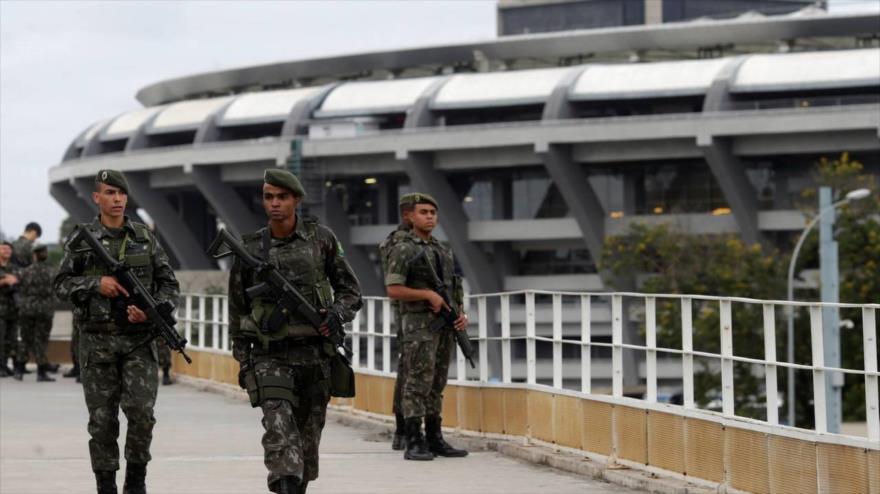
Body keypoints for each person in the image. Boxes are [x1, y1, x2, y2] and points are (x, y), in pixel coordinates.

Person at [229, 169, 362, 494]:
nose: (274, 204)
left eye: (282, 197)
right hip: (270, 357)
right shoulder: (250, 248)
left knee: (306, 446)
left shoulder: (322, 239)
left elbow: (351, 292)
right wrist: (244, 361)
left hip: (317, 356)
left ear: (296, 200)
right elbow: (237, 308)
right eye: (268, 197)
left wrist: (335, 315)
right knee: (279, 434)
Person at [54, 169, 180, 494]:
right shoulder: (82, 241)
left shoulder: (144, 237)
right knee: (102, 422)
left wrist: (154, 309)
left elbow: (168, 283)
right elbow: (60, 285)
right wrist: (96, 284)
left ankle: (135, 482)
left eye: (121, 193)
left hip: (139, 342)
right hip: (97, 343)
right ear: (96, 197)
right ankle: (106, 486)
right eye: (110, 193)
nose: (117, 199)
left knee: (142, 414)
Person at [384, 192, 469, 461]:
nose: (430, 217)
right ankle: (414, 439)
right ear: (410, 216)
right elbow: (394, 289)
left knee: (436, 382)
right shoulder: (404, 248)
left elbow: (454, 287)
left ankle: (435, 437)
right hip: (419, 326)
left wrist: (460, 313)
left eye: (433, 213)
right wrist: (427, 295)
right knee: (417, 382)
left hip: (444, 325)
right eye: (424, 212)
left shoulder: (442, 250)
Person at [377, 196, 415, 450]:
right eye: (422, 212)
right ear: (407, 215)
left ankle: (404, 430)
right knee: (410, 371)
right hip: (407, 313)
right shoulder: (398, 244)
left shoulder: (411, 242)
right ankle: (405, 429)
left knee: (409, 370)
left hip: (416, 313)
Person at [14, 244, 58, 382]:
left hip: (27, 309)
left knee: (25, 338)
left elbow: (16, 286)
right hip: (45, 310)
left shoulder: (25, 272)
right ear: (45, 255)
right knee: (41, 340)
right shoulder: (53, 272)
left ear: (34, 255)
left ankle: (19, 370)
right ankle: (41, 372)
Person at [0, 241, 19, 377]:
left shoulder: (13, 268)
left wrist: (15, 280)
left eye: (9, 249)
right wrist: (4, 281)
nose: (7, 251)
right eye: (4, 248)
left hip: (13, 310)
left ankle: (5, 365)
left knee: (10, 340)